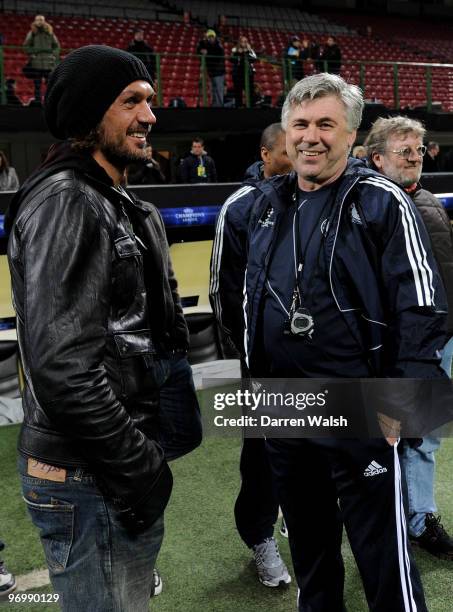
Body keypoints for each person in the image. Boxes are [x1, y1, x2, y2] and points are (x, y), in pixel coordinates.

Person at [210, 72, 447, 611]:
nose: (310, 136)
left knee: (382, 552)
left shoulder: (382, 201)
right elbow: (237, 306)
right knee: (312, 550)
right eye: (300, 124)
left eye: (325, 124)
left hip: (361, 404)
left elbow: (423, 306)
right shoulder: (259, 206)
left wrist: (403, 407)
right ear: (286, 131)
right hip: (284, 404)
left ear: (351, 136)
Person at [5, 45, 196, 612]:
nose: (150, 116)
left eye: (150, 101)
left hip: (100, 466)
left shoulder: (103, 194)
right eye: (131, 101)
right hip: (93, 473)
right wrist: (140, 468)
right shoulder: (70, 201)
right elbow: (63, 368)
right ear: (92, 117)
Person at [364, 115, 453, 561]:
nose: (416, 157)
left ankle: (419, 520)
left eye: (420, 150)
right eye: (405, 151)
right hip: (397, 348)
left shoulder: (430, 200)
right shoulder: (367, 208)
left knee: (426, 437)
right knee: (384, 439)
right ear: (376, 158)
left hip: (441, 340)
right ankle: (384, 522)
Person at [211, 122, 292, 588]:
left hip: (318, 359)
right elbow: (224, 292)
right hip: (263, 361)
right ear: (265, 154)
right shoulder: (240, 207)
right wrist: (253, 352)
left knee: (317, 451)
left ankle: (298, 524)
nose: (299, 153)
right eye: (288, 148)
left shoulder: (315, 196)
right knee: (264, 454)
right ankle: (260, 536)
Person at [23, 14, 59, 104]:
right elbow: (26, 46)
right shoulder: (32, 33)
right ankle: (38, 101)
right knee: (37, 85)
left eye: (41, 20)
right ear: (35, 21)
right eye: (38, 20)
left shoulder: (50, 33)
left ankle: (50, 101)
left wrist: (53, 55)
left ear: (44, 21)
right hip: (36, 63)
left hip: (48, 63)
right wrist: (32, 54)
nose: (40, 21)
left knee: (50, 84)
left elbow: (56, 46)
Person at [197, 29, 225, 107]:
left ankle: (220, 105)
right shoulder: (206, 44)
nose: (210, 38)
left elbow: (218, 53)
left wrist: (207, 52)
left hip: (219, 71)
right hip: (211, 71)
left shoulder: (218, 45)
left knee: (218, 90)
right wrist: (202, 43)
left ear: (215, 37)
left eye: (212, 37)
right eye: (209, 37)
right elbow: (199, 49)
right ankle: (214, 105)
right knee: (213, 89)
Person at [230, 36, 257, 108]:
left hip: (248, 74)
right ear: (239, 42)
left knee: (250, 91)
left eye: (245, 41)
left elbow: (254, 59)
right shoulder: (235, 49)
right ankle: (239, 106)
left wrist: (248, 50)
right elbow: (232, 59)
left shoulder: (250, 50)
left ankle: (251, 107)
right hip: (238, 74)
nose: (244, 43)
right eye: (242, 41)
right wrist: (238, 53)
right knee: (238, 92)